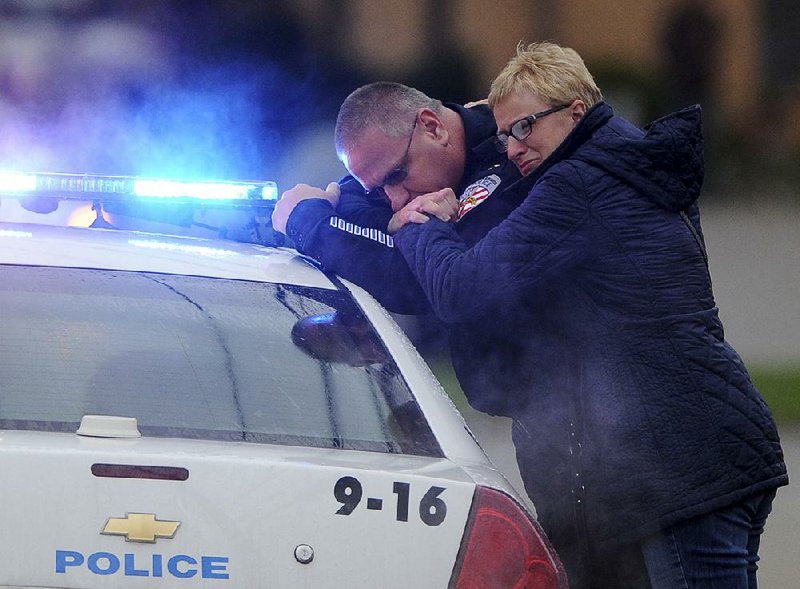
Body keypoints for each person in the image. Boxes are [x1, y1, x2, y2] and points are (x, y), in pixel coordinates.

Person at [391, 42, 788, 589]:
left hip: (683, 471)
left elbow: (462, 288)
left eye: (524, 127)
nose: (510, 149)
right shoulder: (627, 162)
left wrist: (421, 228)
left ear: (576, 112)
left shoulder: (577, 184)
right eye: (504, 133)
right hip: (713, 446)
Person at [270, 81, 521, 315]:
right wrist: (390, 223)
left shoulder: (518, 151)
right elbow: (348, 199)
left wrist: (309, 224)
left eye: (397, 175)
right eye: (378, 189)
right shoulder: (389, 160)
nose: (396, 201)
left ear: (432, 127)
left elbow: (418, 282)